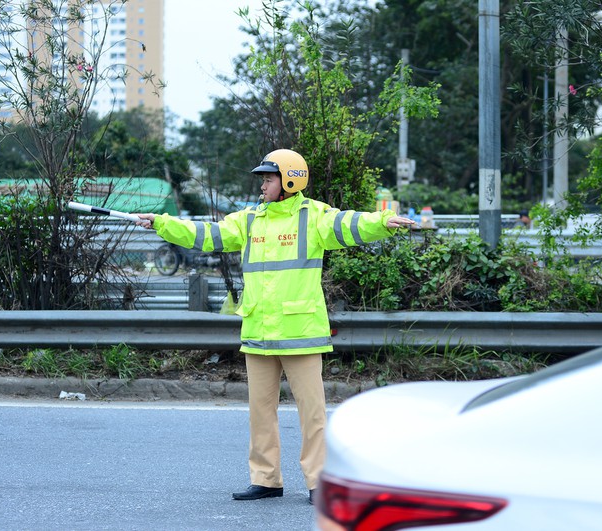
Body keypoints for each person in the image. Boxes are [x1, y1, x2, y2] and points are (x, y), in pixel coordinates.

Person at [135, 149, 415, 505]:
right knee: (259, 412)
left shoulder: (312, 216)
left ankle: (319, 482)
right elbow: (208, 234)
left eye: (268, 178)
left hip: (300, 332)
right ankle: (266, 479)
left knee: (311, 414)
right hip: (259, 331)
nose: (262, 185)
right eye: (264, 179)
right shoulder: (249, 220)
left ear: (290, 180)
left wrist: (382, 222)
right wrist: (161, 223)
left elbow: (348, 224)